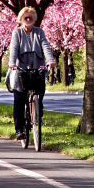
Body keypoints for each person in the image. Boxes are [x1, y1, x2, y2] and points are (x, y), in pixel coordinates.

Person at [7, 7, 57, 142]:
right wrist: (12, 63)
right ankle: (19, 130)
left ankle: (37, 112)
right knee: (19, 99)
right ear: (21, 19)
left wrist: (50, 60)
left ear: (34, 19)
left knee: (39, 92)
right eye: (25, 18)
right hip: (21, 70)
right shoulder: (17, 33)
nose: (28, 20)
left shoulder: (39, 32)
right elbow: (14, 49)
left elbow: (45, 46)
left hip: (36, 68)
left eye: (30, 17)